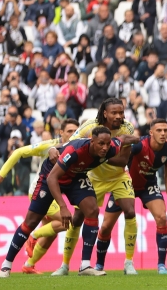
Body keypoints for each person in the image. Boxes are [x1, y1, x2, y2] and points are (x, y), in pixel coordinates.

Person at [0, 126, 138, 278]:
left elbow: (122, 139)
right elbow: (52, 178)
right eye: (101, 144)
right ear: (92, 141)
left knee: (92, 211)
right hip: (51, 178)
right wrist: (63, 207)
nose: (104, 148)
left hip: (76, 177)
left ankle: (84, 266)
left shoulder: (112, 147)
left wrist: (138, 139)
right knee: (30, 222)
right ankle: (6, 265)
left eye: (107, 144)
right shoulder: (75, 151)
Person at [31, 98, 137, 276]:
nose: (119, 116)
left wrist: (96, 154)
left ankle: (128, 263)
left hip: (118, 176)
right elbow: (70, 145)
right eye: (114, 113)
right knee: (78, 217)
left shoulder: (128, 128)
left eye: (121, 112)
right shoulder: (90, 126)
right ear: (105, 113)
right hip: (93, 176)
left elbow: (123, 161)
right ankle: (65, 265)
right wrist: (53, 149)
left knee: (131, 211)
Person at [0, 119, 80, 274]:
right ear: (61, 132)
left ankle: (29, 265)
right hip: (41, 191)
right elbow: (19, 152)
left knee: (51, 233)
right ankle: (33, 235)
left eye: (75, 131)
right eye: (69, 131)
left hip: (57, 192)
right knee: (68, 222)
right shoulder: (50, 146)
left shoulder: (79, 147)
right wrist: (1, 173)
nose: (73, 135)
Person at [96, 119, 167, 275]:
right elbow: (121, 157)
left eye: (165, 130)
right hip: (126, 185)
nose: (163, 133)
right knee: (106, 226)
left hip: (148, 186)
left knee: (161, 217)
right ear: (151, 132)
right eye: (159, 130)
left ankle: (161, 265)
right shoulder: (139, 146)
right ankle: (99, 265)